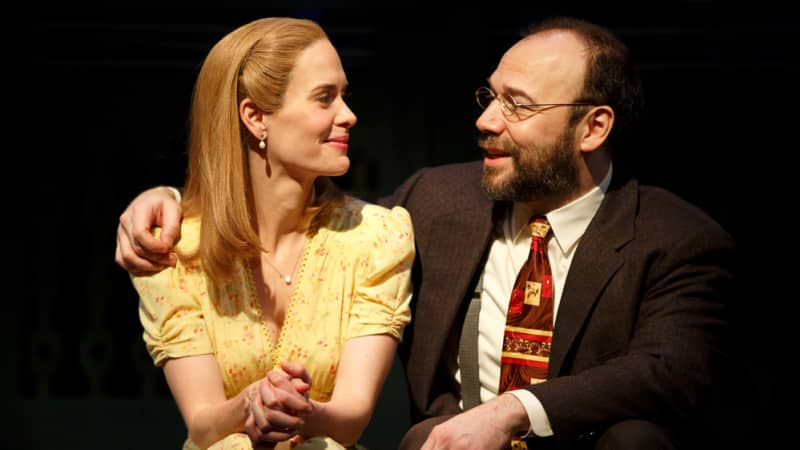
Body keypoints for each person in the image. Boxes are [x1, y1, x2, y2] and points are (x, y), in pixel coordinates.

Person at [116, 16, 735, 450]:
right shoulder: (436, 202)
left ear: (593, 128)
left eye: (517, 106)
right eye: (489, 97)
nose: (486, 120)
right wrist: (168, 199)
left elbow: (668, 371)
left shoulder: (675, 236)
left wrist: (512, 413)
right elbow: (321, 230)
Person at [120, 17, 415, 450]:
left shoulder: (374, 238)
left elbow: (352, 418)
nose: (348, 116)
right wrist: (251, 403)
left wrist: (303, 411)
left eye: (344, 96)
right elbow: (202, 425)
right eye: (324, 98)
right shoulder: (176, 248)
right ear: (256, 117)